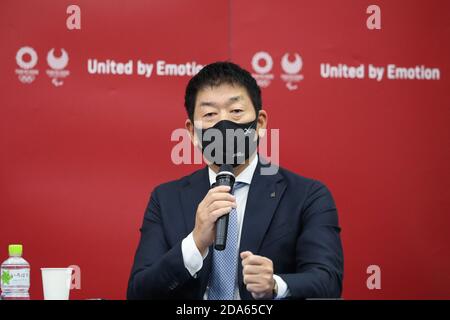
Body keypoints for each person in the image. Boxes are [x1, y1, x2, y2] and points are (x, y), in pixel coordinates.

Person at [127, 61, 343, 300]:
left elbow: (328, 279)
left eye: (236, 111)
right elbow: (139, 292)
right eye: (210, 114)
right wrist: (194, 243)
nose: (224, 123)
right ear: (191, 132)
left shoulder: (306, 195)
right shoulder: (166, 199)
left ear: (260, 123)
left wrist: (275, 285)